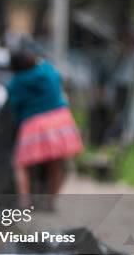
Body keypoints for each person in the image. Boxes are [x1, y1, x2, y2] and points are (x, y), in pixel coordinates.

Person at [6, 50, 83, 205]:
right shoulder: (47, 70)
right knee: (56, 163)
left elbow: (14, 103)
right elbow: (57, 80)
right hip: (59, 118)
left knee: (20, 163)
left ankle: (24, 201)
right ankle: (51, 201)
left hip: (34, 122)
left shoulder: (17, 81)